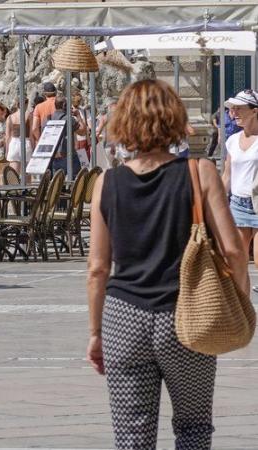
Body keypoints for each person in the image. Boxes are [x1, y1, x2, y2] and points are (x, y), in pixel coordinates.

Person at [86, 79, 248, 449]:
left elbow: (97, 267)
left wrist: (96, 333)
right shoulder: (199, 171)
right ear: (175, 119)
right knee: (193, 428)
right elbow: (234, 250)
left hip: (123, 317)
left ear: (122, 122)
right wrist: (239, 303)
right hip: (187, 314)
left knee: (132, 437)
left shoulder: (106, 183)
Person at [222, 89, 258, 292]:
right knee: (238, 259)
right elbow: (227, 175)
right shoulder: (232, 141)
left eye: (238, 108)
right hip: (238, 204)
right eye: (232, 109)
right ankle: (243, 304)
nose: (233, 113)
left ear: (254, 111)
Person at [48, 95, 87, 177]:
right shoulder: (68, 119)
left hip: (54, 157)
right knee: (76, 181)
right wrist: (78, 115)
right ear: (64, 106)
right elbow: (83, 132)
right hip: (68, 155)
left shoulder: (48, 118)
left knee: (57, 184)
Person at [5, 97, 32, 176]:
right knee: (26, 174)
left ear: (17, 105)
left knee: (13, 173)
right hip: (26, 143)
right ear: (26, 104)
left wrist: (7, 150)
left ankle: (14, 188)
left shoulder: (10, 117)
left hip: (14, 143)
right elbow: (31, 134)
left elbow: (7, 136)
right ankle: (26, 188)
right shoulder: (29, 116)